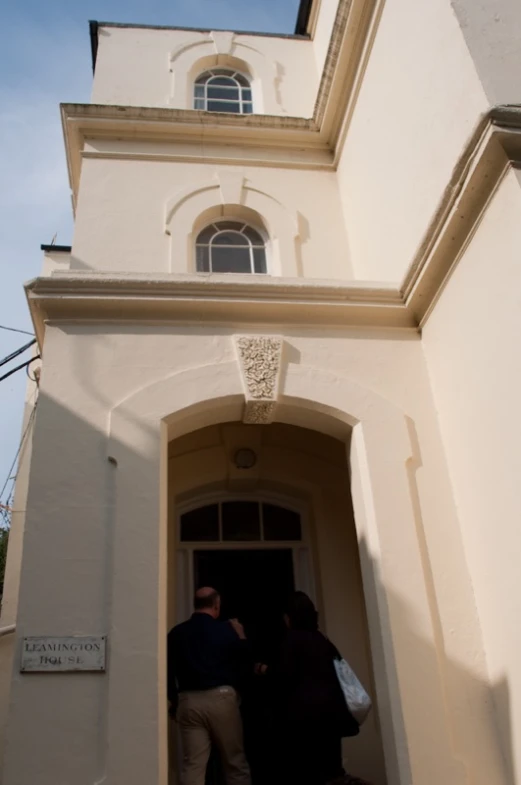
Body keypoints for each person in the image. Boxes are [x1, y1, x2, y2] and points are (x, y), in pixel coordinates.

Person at [262, 591, 362, 785]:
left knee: (305, 773)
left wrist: (264, 670)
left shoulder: (291, 641)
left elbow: (282, 676)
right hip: (331, 720)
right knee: (331, 774)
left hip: (302, 723)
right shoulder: (323, 641)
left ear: (289, 617)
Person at [168, 587, 252, 785]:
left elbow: (167, 670)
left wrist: (174, 700)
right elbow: (244, 663)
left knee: (193, 766)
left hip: (188, 701)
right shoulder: (227, 630)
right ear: (216, 605)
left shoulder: (176, 633)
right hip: (222, 698)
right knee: (235, 763)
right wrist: (241, 636)